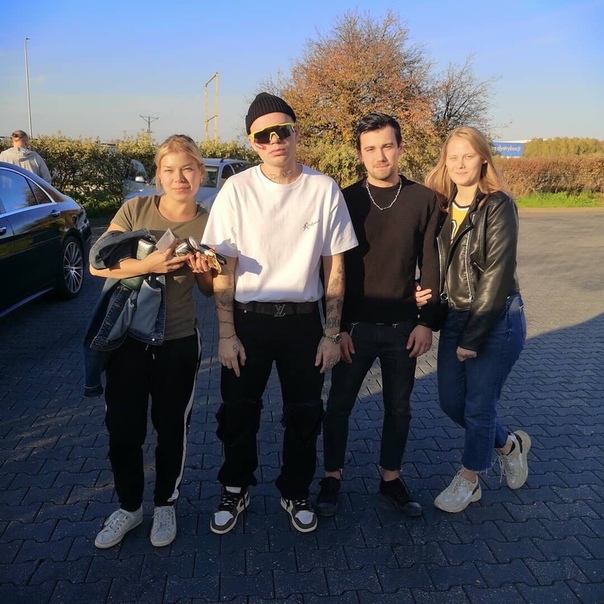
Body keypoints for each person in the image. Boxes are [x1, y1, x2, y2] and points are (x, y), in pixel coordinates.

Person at [201, 92, 358, 534]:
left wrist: (331, 333)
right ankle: (235, 487)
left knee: (305, 412)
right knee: (238, 411)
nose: (275, 141)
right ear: (252, 142)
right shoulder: (237, 190)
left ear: (296, 132)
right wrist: (226, 334)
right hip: (247, 320)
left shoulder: (323, 189)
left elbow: (335, 267)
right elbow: (224, 268)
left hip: (304, 322)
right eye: (263, 135)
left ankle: (295, 489)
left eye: (282, 131)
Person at [90, 135, 215, 548]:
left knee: (172, 430)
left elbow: (208, 290)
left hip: (178, 341)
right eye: (170, 170)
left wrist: (203, 269)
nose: (179, 178)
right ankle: (129, 507)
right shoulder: (135, 209)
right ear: (158, 174)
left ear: (200, 172)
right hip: (127, 340)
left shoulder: (210, 221)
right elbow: (97, 264)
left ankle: (165, 504)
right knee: (122, 430)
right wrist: (149, 264)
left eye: (188, 169)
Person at [316, 113, 441, 518]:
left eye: (387, 146)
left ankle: (391, 478)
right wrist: (336, 329)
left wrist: (427, 322)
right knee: (338, 406)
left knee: (399, 409)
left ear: (401, 148)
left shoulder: (424, 200)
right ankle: (332, 476)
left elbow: (431, 263)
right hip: (354, 329)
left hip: (404, 328)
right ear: (360, 154)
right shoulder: (344, 200)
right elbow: (331, 267)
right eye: (370, 148)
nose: (380, 155)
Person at [418, 126, 530, 513]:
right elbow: (434, 263)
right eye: (453, 157)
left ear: (483, 158)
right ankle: (509, 445)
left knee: (480, 405)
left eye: (468, 156)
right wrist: (422, 292)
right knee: (452, 402)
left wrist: (473, 337)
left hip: (495, 318)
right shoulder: (440, 207)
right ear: (445, 162)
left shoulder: (498, 205)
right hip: (455, 315)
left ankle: (470, 479)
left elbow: (497, 275)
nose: (460, 164)